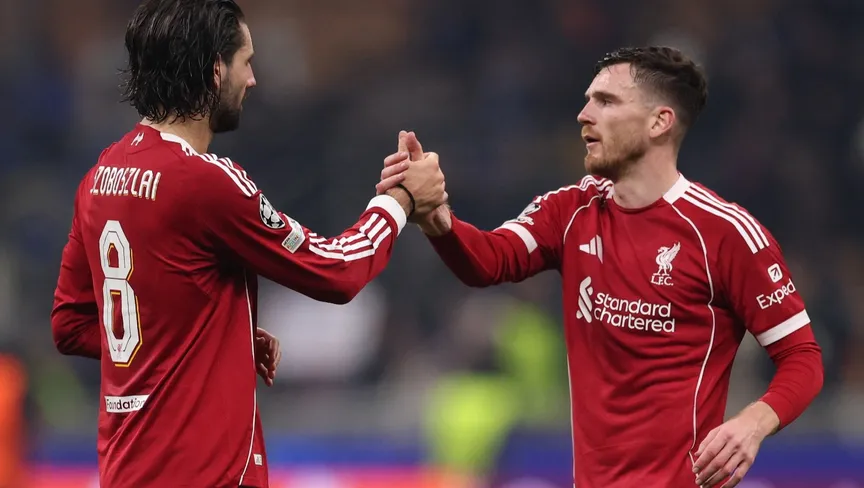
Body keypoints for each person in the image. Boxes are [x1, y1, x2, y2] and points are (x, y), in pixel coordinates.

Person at [379, 47, 823, 488]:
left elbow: (802, 357)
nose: (584, 114)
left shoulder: (724, 233)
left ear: (659, 122)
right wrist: (436, 217)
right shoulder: (571, 210)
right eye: (588, 99)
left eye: (606, 101)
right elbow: (489, 261)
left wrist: (752, 423)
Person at [49, 1, 446, 487]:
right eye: (246, 62)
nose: (253, 79)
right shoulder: (203, 181)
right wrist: (401, 200)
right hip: (207, 475)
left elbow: (71, 325)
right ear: (215, 70)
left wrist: (215, 340)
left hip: (128, 472)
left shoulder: (100, 177)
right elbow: (336, 271)